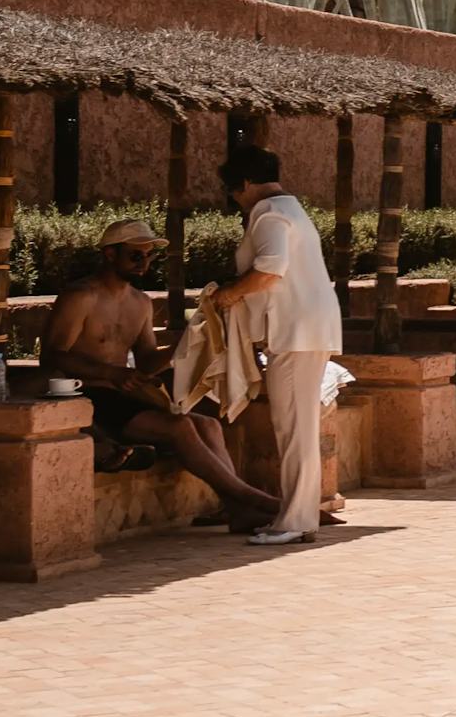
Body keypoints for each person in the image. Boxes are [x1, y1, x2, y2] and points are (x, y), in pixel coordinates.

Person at [41, 218, 278, 527]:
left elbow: (146, 361)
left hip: (120, 394)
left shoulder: (140, 303)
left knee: (209, 426)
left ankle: (237, 506)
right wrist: (111, 373)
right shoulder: (81, 296)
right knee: (178, 427)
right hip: (84, 395)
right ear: (110, 254)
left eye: (149, 255)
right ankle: (251, 498)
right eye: (135, 255)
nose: (144, 262)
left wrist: (182, 348)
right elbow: (53, 358)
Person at [197, 143, 346, 547]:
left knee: (294, 427)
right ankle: (296, 516)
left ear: (244, 183)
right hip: (304, 329)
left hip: (295, 332)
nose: (234, 199)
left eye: (233, 190)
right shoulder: (289, 209)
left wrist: (227, 295)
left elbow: (269, 271)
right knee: (297, 426)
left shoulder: (270, 214)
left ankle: (295, 519)